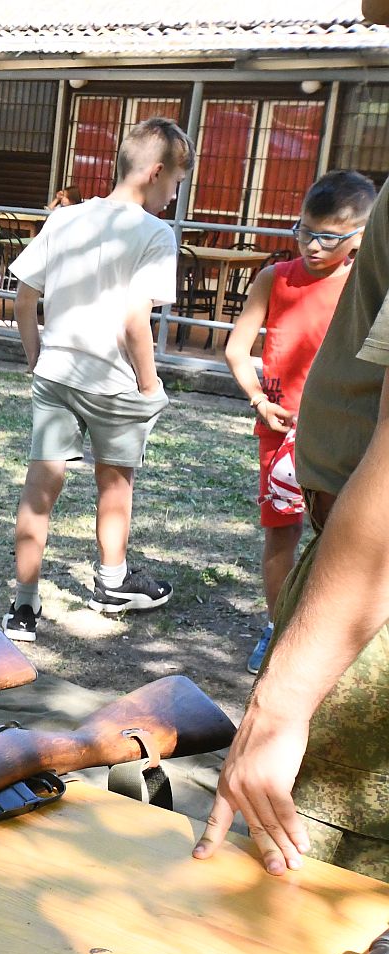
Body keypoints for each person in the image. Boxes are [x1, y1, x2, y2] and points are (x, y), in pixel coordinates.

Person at [191, 169, 389, 883]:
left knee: (302, 873)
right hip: (340, 539)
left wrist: (283, 700)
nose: (313, 246)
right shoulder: (277, 277)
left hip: (367, 572)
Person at [0, 117, 194, 643]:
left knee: (40, 488)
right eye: (175, 184)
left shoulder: (64, 218)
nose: (173, 196)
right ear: (156, 173)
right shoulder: (155, 233)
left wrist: (38, 356)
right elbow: (136, 320)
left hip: (56, 371)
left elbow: (24, 297)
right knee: (116, 484)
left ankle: (23, 607)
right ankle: (111, 583)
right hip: (112, 380)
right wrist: (151, 386)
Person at [218, 171, 375, 673]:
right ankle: (278, 626)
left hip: (344, 436)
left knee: (343, 536)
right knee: (280, 535)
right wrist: (258, 399)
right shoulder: (276, 278)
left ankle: (334, 638)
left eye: (329, 236)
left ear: (362, 238)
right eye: (305, 231)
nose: (312, 245)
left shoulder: (364, 289)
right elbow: (236, 349)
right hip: (280, 434)